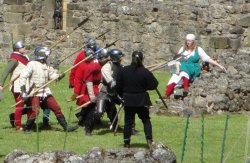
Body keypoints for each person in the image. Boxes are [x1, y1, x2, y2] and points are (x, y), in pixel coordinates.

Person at [19, 46, 76, 132]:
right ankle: (27, 128)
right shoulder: (32, 64)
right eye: (46, 55)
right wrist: (23, 91)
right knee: (35, 111)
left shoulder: (45, 65)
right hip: (35, 91)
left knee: (56, 108)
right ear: (42, 55)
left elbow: (52, 76)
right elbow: (23, 77)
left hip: (45, 91)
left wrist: (59, 75)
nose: (47, 57)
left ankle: (66, 127)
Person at [116, 51, 158, 149]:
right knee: (146, 120)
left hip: (128, 100)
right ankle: (149, 140)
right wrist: (144, 86)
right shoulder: (145, 72)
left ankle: (126, 143)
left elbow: (118, 86)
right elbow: (153, 85)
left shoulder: (123, 70)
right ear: (142, 59)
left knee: (128, 122)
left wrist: (123, 94)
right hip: (141, 100)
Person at [164, 33, 227, 98]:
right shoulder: (182, 49)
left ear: (193, 41)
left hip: (193, 67)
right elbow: (176, 60)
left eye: (189, 41)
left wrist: (219, 65)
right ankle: (167, 94)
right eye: (187, 40)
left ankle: (185, 87)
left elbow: (207, 58)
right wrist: (177, 68)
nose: (188, 42)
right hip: (181, 67)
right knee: (175, 76)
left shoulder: (198, 49)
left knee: (183, 68)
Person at [71, 48, 102, 136]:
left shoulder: (95, 64)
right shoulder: (82, 65)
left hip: (93, 88)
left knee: (88, 106)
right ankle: (85, 123)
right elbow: (78, 79)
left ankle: (81, 119)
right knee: (89, 106)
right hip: (86, 89)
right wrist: (76, 92)